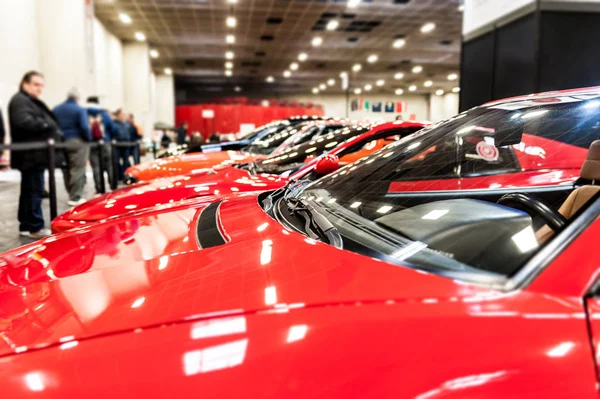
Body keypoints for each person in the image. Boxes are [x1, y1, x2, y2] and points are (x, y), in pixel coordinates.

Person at [8, 71, 65, 238]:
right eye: (36, 85)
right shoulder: (20, 101)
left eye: (41, 85)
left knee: (30, 190)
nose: (40, 89)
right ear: (25, 84)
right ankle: (34, 226)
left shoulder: (27, 101)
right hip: (30, 156)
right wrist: (47, 124)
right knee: (34, 190)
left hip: (34, 156)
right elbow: (23, 122)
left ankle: (27, 225)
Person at [53, 88, 91, 206]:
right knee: (77, 169)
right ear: (77, 98)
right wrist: (88, 138)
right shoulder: (80, 110)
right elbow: (84, 126)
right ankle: (75, 197)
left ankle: (71, 192)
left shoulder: (56, 109)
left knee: (66, 169)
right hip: (76, 141)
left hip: (60, 142)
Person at [86, 96, 114, 194]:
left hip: (92, 143)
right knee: (109, 164)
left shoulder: (85, 113)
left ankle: (99, 189)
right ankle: (112, 186)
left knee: (96, 167)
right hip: (105, 141)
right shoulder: (104, 114)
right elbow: (111, 127)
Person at [112, 109, 130, 181]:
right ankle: (117, 177)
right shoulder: (114, 124)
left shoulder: (126, 124)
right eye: (122, 114)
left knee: (126, 161)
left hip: (126, 145)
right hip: (117, 146)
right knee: (116, 162)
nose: (123, 116)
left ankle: (125, 177)